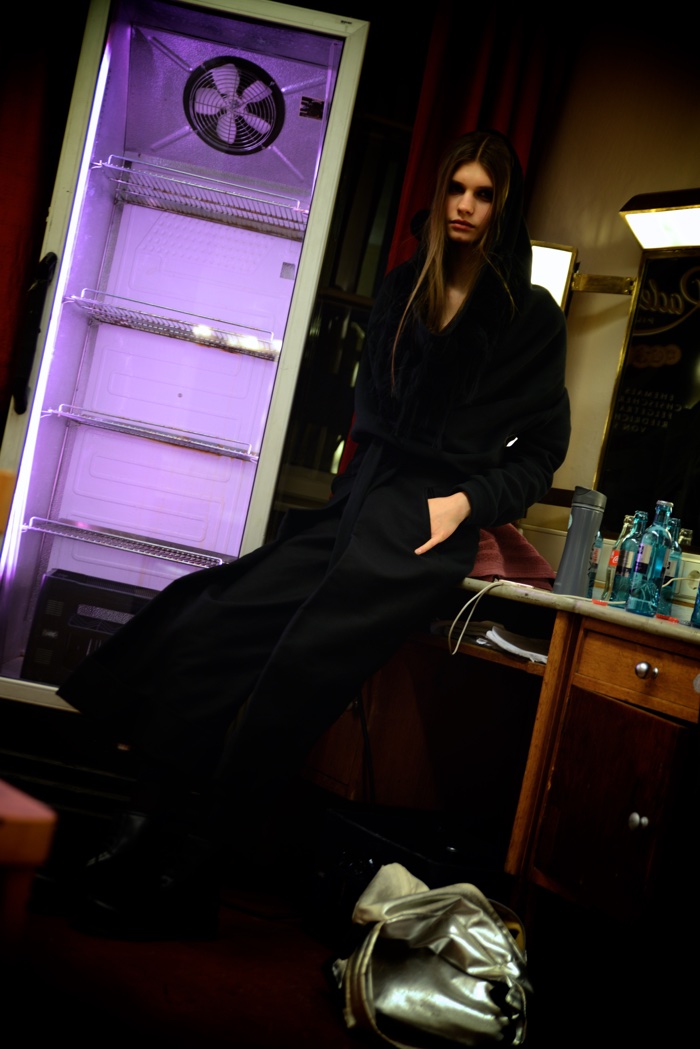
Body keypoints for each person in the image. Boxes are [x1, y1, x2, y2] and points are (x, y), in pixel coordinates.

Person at [55, 129, 571, 940]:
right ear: (440, 194)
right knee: (216, 618)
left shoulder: (529, 315)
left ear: (504, 208)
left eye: (484, 194)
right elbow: (367, 413)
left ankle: (189, 871)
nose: (466, 206)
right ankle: (133, 829)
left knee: (292, 676)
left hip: (422, 526)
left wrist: (465, 502)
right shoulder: (405, 285)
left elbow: (542, 452)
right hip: (358, 499)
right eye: (456, 189)